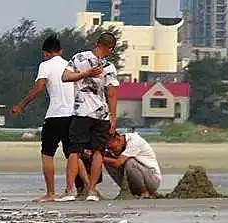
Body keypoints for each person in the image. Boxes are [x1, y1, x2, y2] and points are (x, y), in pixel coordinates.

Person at [10, 35, 88, 202]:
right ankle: (89, 188)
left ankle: (51, 193)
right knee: (73, 154)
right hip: (73, 116)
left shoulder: (45, 66)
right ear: (61, 51)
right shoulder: (71, 65)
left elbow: (38, 88)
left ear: (45, 53)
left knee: (47, 155)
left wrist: (21, 105)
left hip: (54, 116)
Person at [59, 32, 120, 202]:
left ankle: (71, 189)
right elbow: (112, 93)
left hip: (82, 112)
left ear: (96, 43)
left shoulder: (79, 58)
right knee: (97, 151)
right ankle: (92, 190)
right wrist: (113, 117)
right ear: (109, 48)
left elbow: (65, 77)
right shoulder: (108, 66)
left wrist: (82, 74)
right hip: (101, 113)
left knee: (74, 150)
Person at [102, 130, 161, 197]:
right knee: (108, 162)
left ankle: (145, 192)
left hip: (152, 179)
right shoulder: (119, 145)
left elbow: (118, 163)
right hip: (134, 182)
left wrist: (99, 158)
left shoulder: (134, 141)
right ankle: (126, 189)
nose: (110, 150)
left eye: (110, 147)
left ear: (118, 140)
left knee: (130, 162)